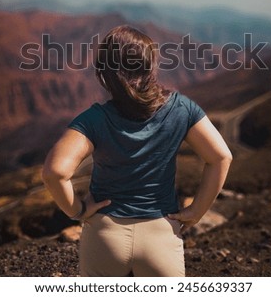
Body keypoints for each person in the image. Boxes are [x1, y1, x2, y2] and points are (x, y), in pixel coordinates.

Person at [42, 25, 232, 277]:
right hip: (161, 232)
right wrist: (197, 211)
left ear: (104, 73)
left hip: (105, 236)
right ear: (150, 67)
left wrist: (76, 210)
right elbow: (221, 157)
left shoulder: (94, 119)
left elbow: (55, 172)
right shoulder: (182, 108)